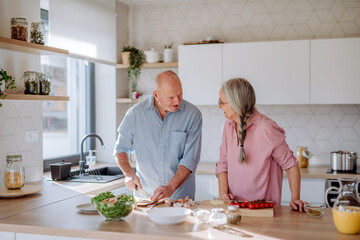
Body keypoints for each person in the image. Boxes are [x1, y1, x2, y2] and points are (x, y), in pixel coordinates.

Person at [216, 78, 306, 212]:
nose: (219, 106)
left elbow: (291, 165)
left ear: (235, 103)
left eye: (221, 102)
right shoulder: (228, 126)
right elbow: (223, 164)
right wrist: (223, 193)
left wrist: (295, 198)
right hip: (234, 209)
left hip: (264, 211)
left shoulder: (266, 128)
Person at [113, 70, 202, 202]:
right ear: (156, 95)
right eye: (171, 97)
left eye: (180, 94)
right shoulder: (135, 114)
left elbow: (189, 160)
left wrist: (170, 188)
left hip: (180, 199)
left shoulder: (192, 115)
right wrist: (129, 174)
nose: (177, 101)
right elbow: (120, 148)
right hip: (145, 198)